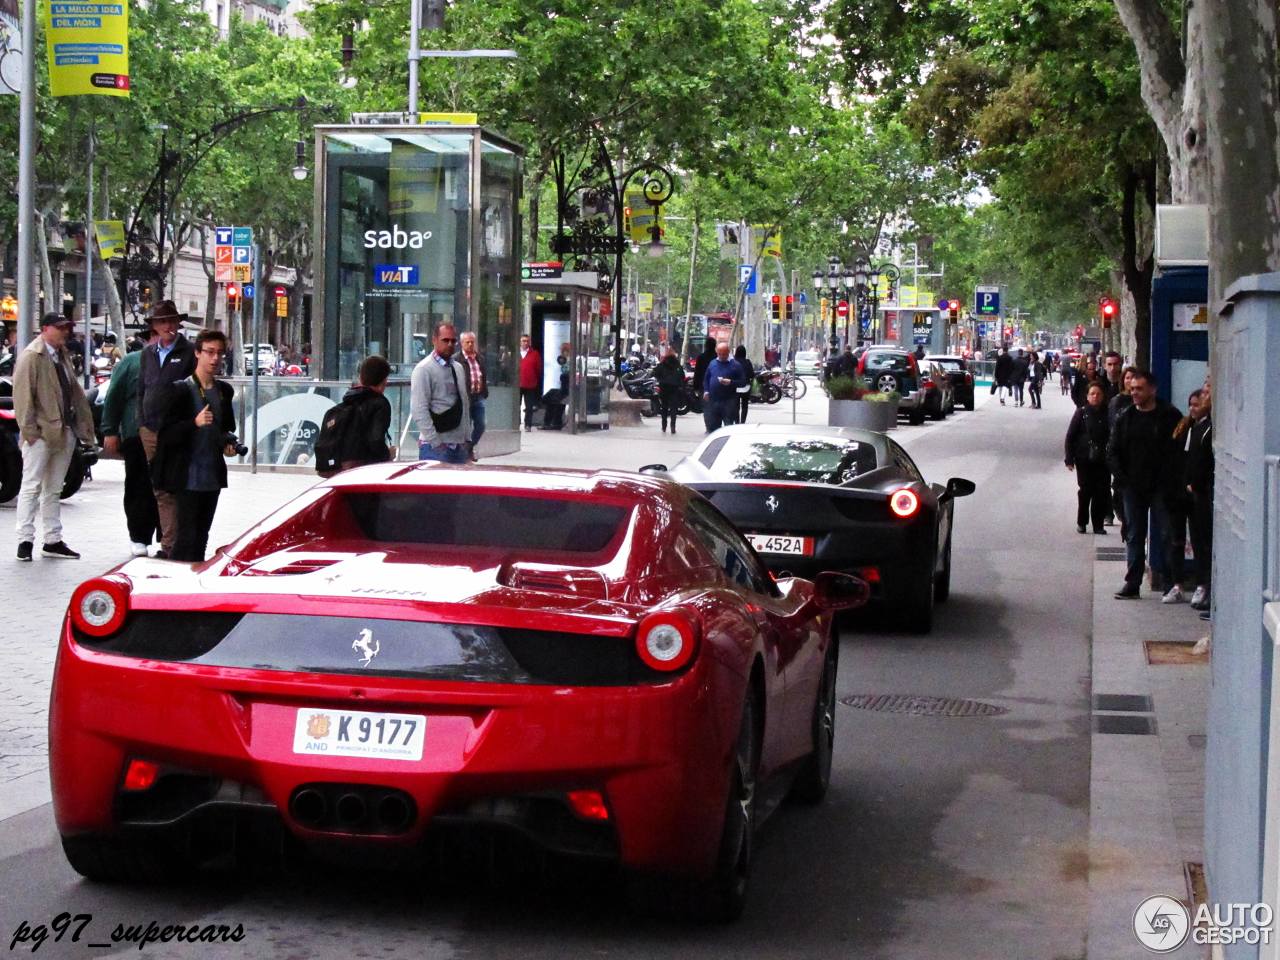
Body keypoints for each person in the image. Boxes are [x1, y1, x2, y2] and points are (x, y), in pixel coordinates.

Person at [147, 330, 237, 564]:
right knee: (185, 536)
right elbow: (166, 434)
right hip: (186, 475)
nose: (215, 358)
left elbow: (226, 427)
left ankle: (195, 579)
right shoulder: (180, 390)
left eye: (219, 353)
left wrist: (228, 444)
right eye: (209, 352)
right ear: (197, 353)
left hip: (211, 475)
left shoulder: (223, 391)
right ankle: (178, 582)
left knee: (202, 536)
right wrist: (193, 424)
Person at [12, 313, 95, 561]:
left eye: (67, 327)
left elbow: (73, 392)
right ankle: (25, 540)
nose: (65, 332)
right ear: (46, 329)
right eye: (60, 328)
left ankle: (52, 539)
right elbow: (23, 397)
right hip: (41, 432)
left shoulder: (61, 355)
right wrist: (31, 433)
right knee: (32, 486)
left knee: (53, 488)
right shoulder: (32, 356)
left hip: (63, 430)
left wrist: (81, 428)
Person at [1107, 370, 1183, 599]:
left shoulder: (1169, 415)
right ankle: (1132, 583)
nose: (1134, 393)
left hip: (1162, 486)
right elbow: (1113, 450)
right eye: (1132, 389)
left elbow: (1180, 450)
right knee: (1134, 534)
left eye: (1139, 389)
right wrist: (1121, 478)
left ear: (1152, 389)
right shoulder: (1126, 417)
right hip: (1133, 486)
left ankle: (1171, 583)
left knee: (1167, 533)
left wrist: (1174, 479)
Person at [136, 300, 196, 558]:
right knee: (160, 487)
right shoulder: (148, 354)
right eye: (162, 322)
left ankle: (177, 543)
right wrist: (141, 422)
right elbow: (141, 389)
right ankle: (168, 543)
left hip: (178, 429)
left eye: (172, 321)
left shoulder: (190, 352)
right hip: (150, 429)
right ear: (155, 326)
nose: (168, 326)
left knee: (179, 485)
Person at [101, 320, 161, 556]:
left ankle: (165, 535)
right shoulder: (131, 362)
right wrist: (110, 431)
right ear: (148, 338)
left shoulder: (179, 361)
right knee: (138, 485)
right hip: (136, 434)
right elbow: (113, 397)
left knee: (166, 488)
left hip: (169, 436)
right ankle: (139, 536)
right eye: (155, 335)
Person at [1160, 389, 1203, 604]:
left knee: (1198, 539)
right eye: (1191, 404)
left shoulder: (1206, 429)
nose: (1193, 408)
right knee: (1175, 539)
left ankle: (1201, 583)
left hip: (1194, 492)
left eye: (1197, 404)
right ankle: (1176, 584)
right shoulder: (1183, 426)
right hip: (1176, 491)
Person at [411, 323, 471, 464]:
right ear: (434, 340)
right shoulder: (424, 369)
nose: (450, 344)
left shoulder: (458, 368)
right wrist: (435, 443)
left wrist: (467, 439)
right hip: (436, 447)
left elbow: (464, 403)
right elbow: (419, 409)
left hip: (459, 446)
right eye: (445, 340)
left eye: (453, 341)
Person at [331, 355, 395, 472]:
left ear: (361, 377)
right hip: (366, 468)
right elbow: (375, 439)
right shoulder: (380, 403)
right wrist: (388, 454)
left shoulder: (349, 398)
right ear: (383, 380)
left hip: (342, 467)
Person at [1065, 382, 1111, 534]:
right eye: (1092, 394)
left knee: (1101, 492)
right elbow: (1070, 436)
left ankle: (1098, 525)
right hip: (1084, 458)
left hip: (1103, 459)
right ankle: (1082, 522)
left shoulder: (1108, 413)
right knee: (1085, 491)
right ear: (1087, 396)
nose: (1095, 397)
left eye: (1098, 394)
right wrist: (1069, 459)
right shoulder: (1081, 413)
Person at [1185, 377, 1213, 613]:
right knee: (1199, 541)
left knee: (1206, 541)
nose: (1202, 399)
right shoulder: (1195, 427)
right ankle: (1203, 583)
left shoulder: (1210, 428)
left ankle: (1207, 585)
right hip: (1195, 492)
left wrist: (1197, 483)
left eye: (1207, 392)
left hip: (1205, 493)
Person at [701, 339, 746, 433]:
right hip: (714, 400)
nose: (721, 356)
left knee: (728, 427)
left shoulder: (735, 365)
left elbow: (743, 382)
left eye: (724, 354)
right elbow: (706, 379)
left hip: (729, 401)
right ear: (717, 352)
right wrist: (706, 391)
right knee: (713, 428)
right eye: (719, 353)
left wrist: (731, 382)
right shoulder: (713, 363)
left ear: (728, 352)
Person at [458, 331, 487, 461]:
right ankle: (465, 452)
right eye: (467, 342)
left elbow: (483, 375)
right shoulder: (457, 359)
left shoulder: (479, 358)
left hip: (478, 396)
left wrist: (484, 391)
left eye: (472, 342)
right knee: (466, 426)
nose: (470, 344)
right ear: (461, 343)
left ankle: (469, 447)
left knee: (481, 424)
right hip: (465, 398)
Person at [654, 348, 685, 434]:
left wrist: (661, 380)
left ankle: (664, 425)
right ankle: (673, 426)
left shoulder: (662, 364)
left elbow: (655, 373)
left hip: (664, 388)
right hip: (674, 389)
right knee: (673, 409)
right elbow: (682, 376)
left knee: (664, 407)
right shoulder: (677, 365)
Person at [517, 334, 541, 431]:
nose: (525, 343)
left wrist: (535, 380)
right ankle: (516, 423)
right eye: (523, 341)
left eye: (527, 341)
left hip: (530, 384)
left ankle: (528, 425)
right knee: (516, 405)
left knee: (529, 406)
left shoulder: (534, 354)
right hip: (517, 384)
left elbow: (538, 369)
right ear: (520, 342)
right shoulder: (516, 353)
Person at [733, 345, 755, 424]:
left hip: (735, 387)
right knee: (745, 405)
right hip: (746, 386)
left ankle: (737, 422)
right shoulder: (747, 362)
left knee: (736, 406)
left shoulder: (733, 362)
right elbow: (752, 374)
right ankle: (742, 422)